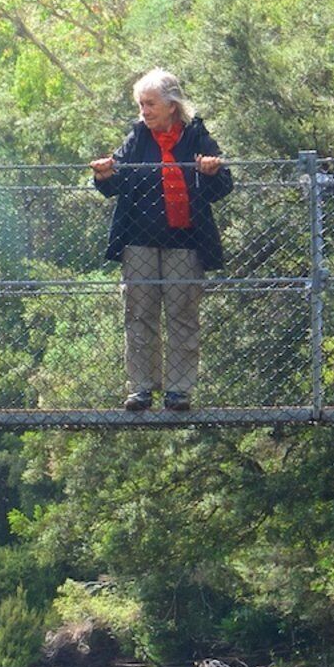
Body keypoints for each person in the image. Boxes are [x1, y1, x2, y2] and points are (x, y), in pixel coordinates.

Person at [89, 68, 232, 412]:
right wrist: (103, 174)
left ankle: (179, 391)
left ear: (172, 105)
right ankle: (141, 389)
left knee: (182, 313)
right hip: (138, 240)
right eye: (141, 105)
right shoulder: (138, 137)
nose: (145, 112)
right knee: (139, 313)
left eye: (150, 104)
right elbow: (114, 183)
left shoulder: (196, 136)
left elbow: (223, 185)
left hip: (185, 240)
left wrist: (211, 170)